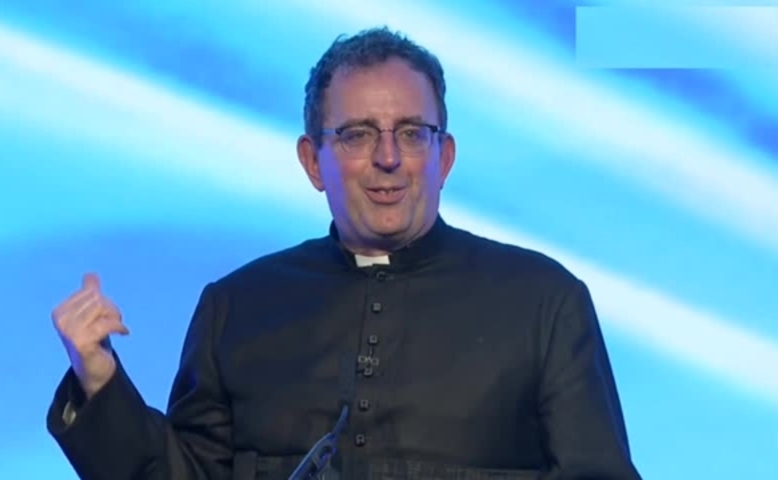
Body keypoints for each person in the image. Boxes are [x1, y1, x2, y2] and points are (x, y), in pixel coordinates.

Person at [47, 27, 642, 480]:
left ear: (444, 158)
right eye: (358, 134)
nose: (388, 158)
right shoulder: (237, 306)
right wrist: (99, 382)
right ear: (313, 162)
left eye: (412, 133)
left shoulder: (541, 301)